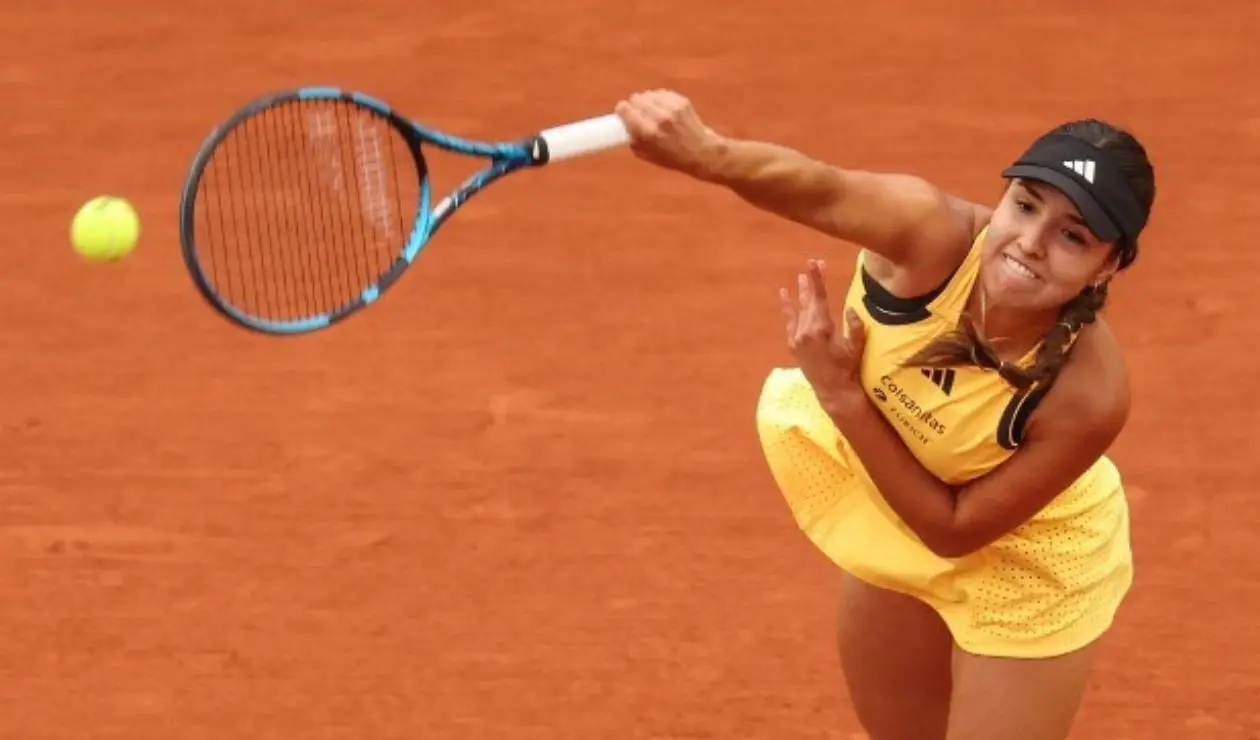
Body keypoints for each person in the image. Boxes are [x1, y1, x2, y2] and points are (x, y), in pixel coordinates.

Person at [614, 89, 1156, 740]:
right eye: (1026, 206)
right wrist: (708, 154)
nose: (1031, 243)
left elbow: (954, 530)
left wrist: (842, 395)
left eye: (1073, 236)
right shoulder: (927, 232)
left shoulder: (1089, 394)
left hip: (1029, 565)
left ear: (1107, 269)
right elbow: (820, 190)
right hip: (898, 503)